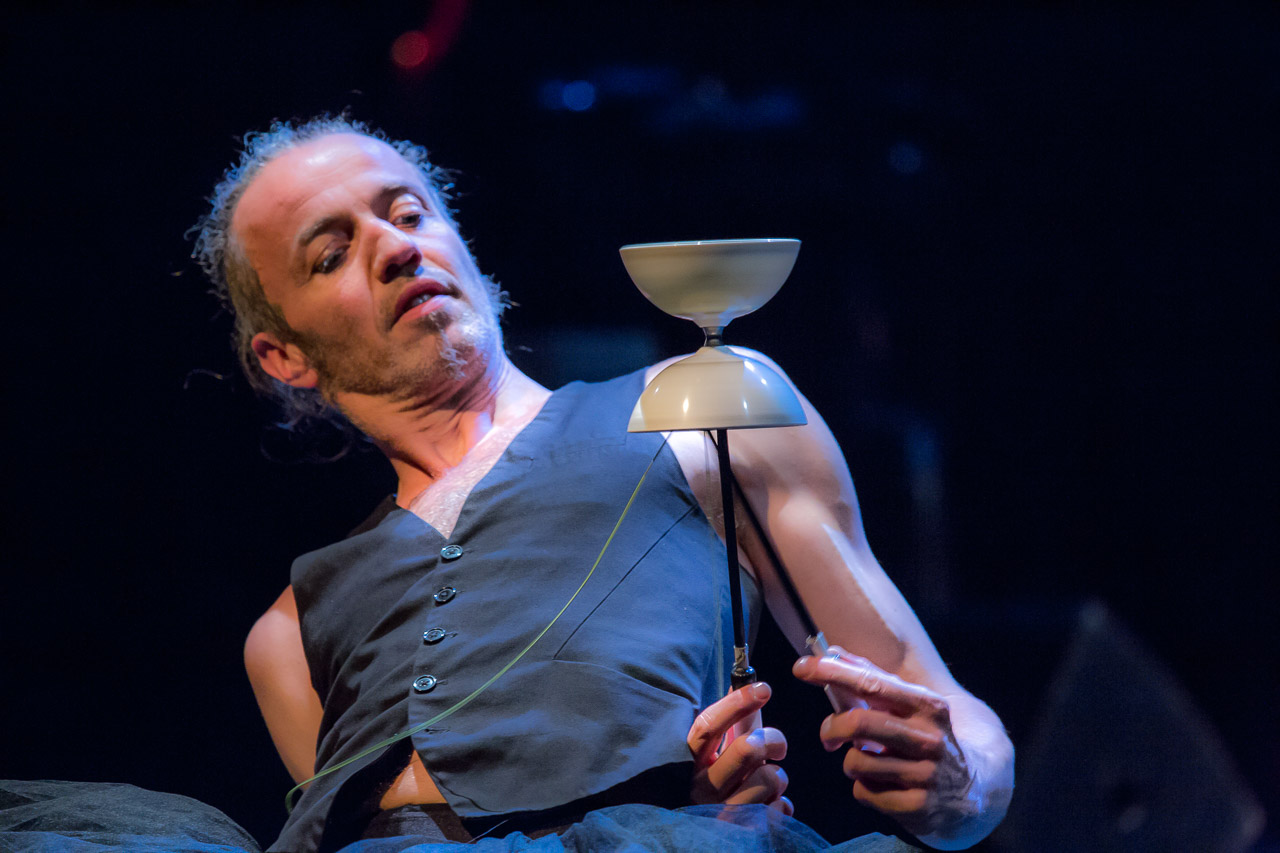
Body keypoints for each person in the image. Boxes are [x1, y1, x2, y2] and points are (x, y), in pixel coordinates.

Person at [191, 116, 1013, 853]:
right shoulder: (287, 633)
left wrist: (957, 786)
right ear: (284, 356)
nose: (397, 247)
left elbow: (943, 709)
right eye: (331, 255)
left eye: (410, 214)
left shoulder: (702, 408)